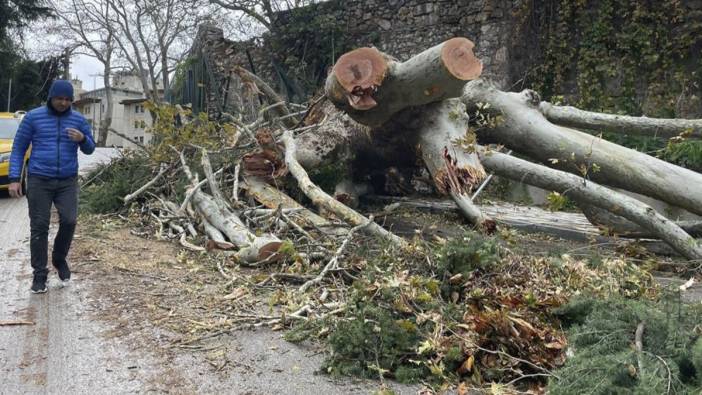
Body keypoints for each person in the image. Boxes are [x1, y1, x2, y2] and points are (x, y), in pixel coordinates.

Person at [8, 80, 96, 294]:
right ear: (51, 97)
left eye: (68, 99)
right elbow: (18, 148)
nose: (64, 103)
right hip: (39, 179)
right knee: (39, 227)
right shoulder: (33, 117)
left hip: (67, 180)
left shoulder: (77, 119)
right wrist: (14, 178)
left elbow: (90, 149)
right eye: (60, 98)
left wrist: (82, 138)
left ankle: (58, 258)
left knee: (69, 220)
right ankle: (39, 274)